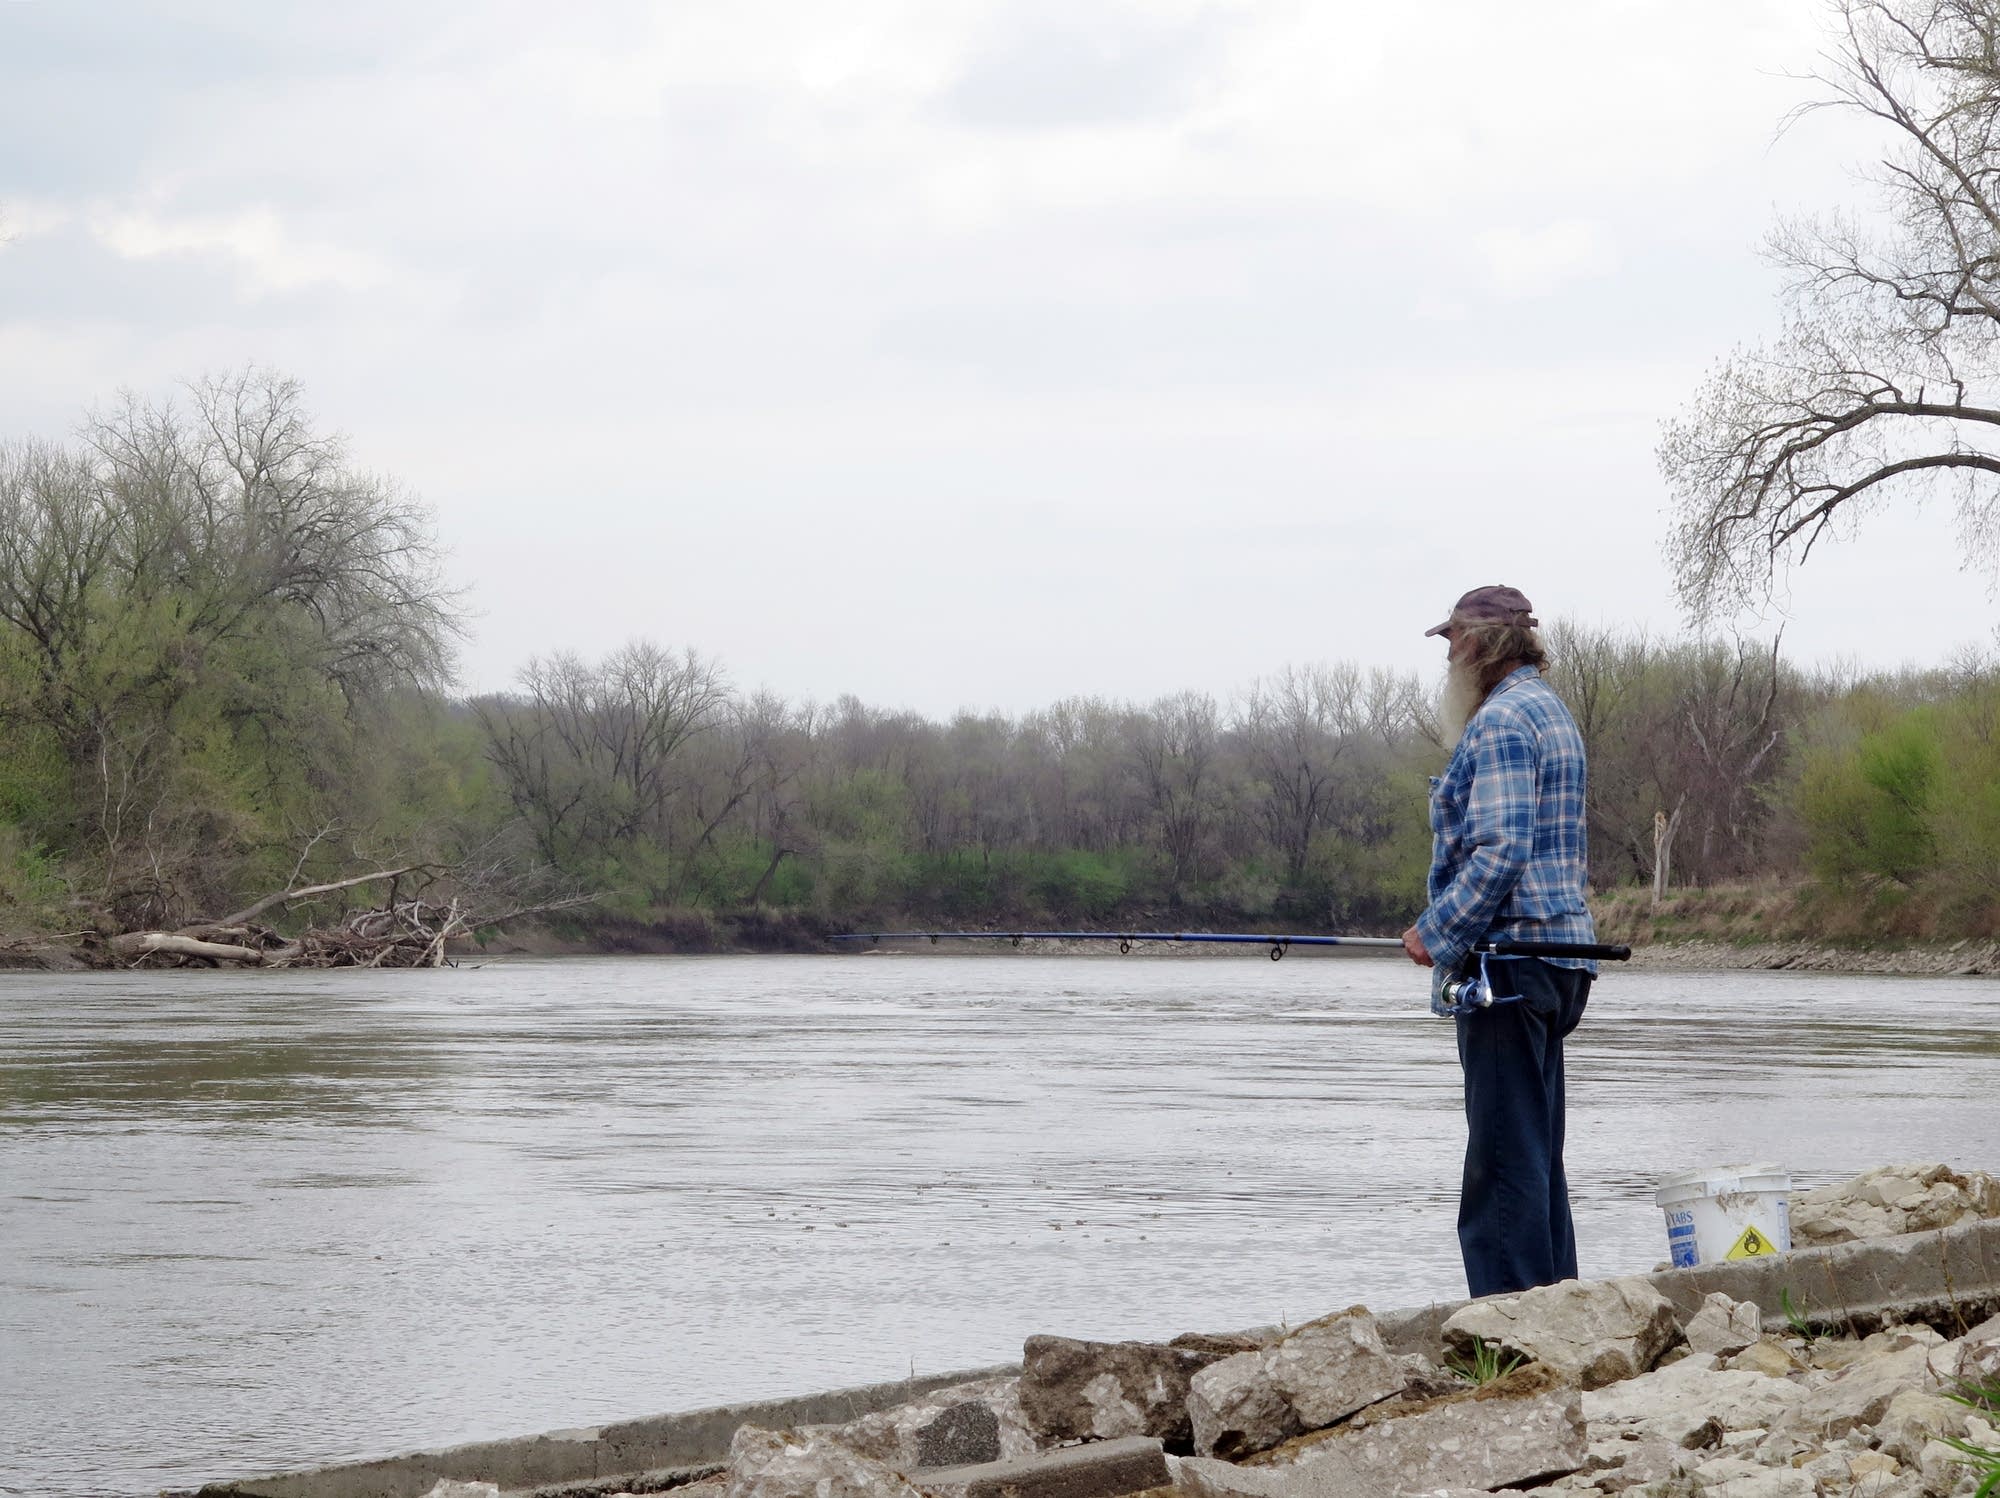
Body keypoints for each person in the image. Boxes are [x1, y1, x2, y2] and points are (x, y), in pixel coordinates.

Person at [1399, 584, 1596, 1299]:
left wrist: (1437, 931)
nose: (1447, 656)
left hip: (1510, 970)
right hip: (1552, 964)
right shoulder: (1550, 712)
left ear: (1479, 645)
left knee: (1504, 1165)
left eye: (1452, 641)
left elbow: (1500, 851)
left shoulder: (1504, 723)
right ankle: (1560, 1309)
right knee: (1535, 1157)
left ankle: (1513, 1330)